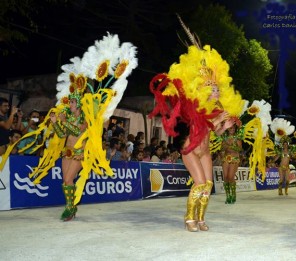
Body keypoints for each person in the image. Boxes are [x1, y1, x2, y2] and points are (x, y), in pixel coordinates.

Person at [0, 34, 138, 222]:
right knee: (66, 182)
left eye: (73, 101)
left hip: (80, 153)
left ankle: (70, 209)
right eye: (71, 100)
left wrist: (62, 121)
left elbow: (77, 132)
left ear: (79, 104)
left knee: (67, 180)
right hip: (67, 151)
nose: (71, 102)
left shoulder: (85, 118)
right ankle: (71, 208)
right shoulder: (67, 115)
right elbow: (62, 134)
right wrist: (56, 122)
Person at [148, 16, 245, 232]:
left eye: (218, 88)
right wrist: (218, 120)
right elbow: (198, 124)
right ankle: (188, 218)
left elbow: (216, 133)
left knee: (208, 186)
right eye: (213, 88)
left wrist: (224, 126)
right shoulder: (192, 106)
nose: (217, 91)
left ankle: (200, 219)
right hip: (190, 149)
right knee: (200, 183)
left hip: (206, 151)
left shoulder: (214, 110)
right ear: (203, 89)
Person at [220, 124, 242, 204]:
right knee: (225, 177)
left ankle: (233, 194)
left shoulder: (237, 138)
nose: (231, 129)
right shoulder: (224, 138)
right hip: (225, 158)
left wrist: (229, 146)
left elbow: (240, 149)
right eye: (230, 127)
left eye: (233, 127)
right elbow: (221, 148)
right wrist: (224, 148)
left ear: (235, 128)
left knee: (230, 177)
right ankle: (228, 196)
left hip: (234, 159)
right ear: (227, 128)